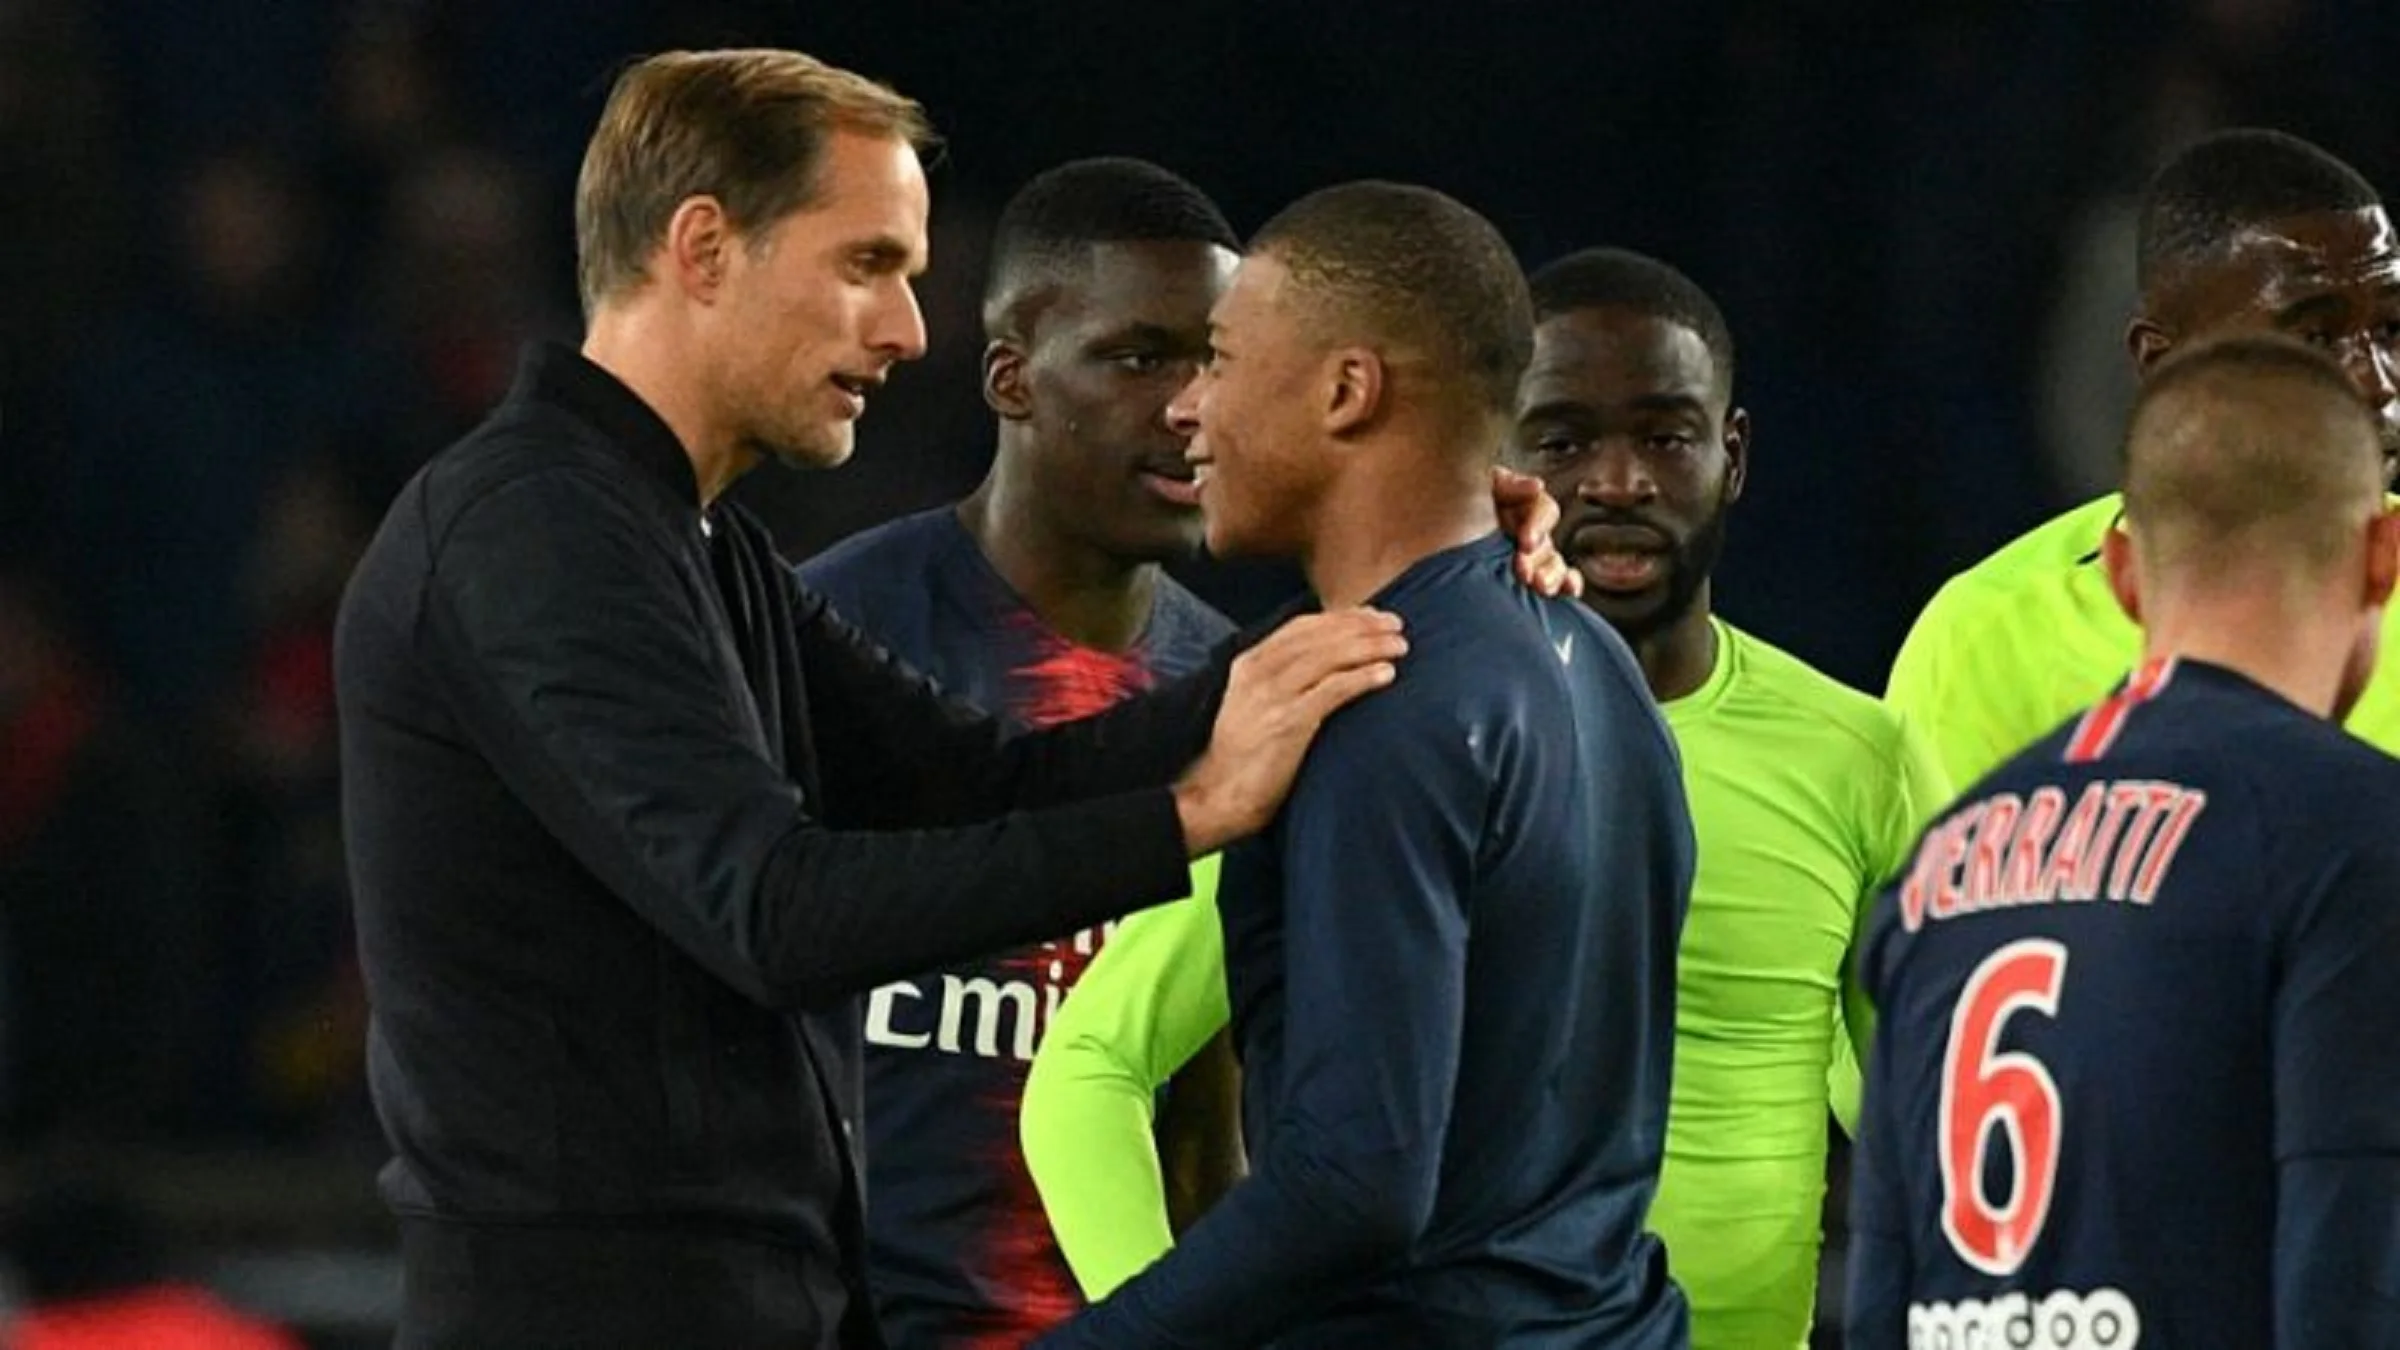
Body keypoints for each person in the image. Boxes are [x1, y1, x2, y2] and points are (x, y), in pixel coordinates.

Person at [336, 50, 1566, 1349]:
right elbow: (775, 910)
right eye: (867, 265)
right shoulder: (534, 530)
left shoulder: (691, 538)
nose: (909, 330)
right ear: (703, 247)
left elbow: (987, 777)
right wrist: (1186, 818)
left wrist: (1403, 548)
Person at [1022, 247, 1950, 1348]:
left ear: (1731, 453)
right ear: (1495, 448)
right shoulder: (1367, 701)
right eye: (1562, 441)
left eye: (1664, 437)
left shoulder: (1846, 751)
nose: (1617, 482)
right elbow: (1094, 1071)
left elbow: (1931, 1123)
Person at [1036, 182, 1693, 1348]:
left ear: (1348, 391)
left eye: (1221, 359)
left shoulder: (1375, 701)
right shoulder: (1595, 659)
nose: (1188, 407)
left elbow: (1352, 1187)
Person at [1847, 334, 2400, 1348]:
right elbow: (2352, 1251)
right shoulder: (2354, 830)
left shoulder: (1942, 862)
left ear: (2123, 575)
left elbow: (1885, 1278)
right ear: (2382, 557)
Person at [794, 156, 1246, 1346]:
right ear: (1012, 378)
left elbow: (1206, 1125)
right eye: (1140, 358)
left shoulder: (1236, 693)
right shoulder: (829, 638)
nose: (1192, 406)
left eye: (1217, 362)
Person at [1887, 127, 2400, 784]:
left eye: (2390, 330)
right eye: (2316, 336)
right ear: (2165, 361)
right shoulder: (1990, 637)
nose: (2378, 380)